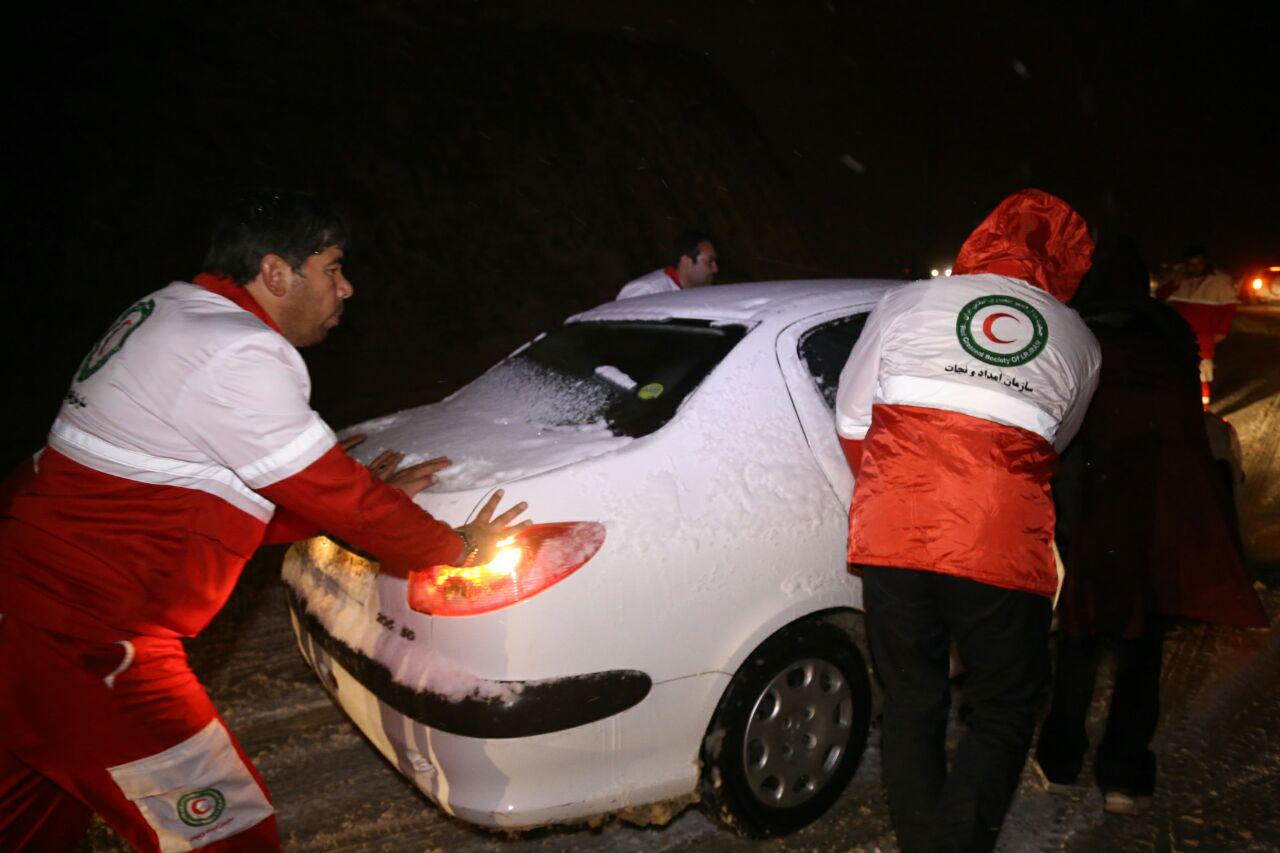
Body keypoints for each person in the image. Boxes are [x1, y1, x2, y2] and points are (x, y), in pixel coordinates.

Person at [0, 190, 528, 850]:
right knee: (230, 835)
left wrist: (346, 508)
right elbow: (339, 494)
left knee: (27, 826)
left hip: (23, 613)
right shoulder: (237, 350)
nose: (347, 287)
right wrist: (451, 544)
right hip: (90, 645)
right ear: (276, 272)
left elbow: (207, 496)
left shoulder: (170, 313)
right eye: (332, 267)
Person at [834, 189, 1101, 852]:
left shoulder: (905, 303)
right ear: (1066, 264)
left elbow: (849, 417)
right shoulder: (1079, 341)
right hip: (1000, 539)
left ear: (982, 238)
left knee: (913, 702)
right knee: (1005, 706)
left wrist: (903, 488)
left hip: (894, 529)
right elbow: (1053, 445)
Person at [1034, 236, 1266, 814]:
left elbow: (1059, 425)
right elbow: (1187, 418)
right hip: (1158, 506)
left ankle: (1061, 759)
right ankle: (1124, 774)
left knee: (1081, 639)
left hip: (1091, 504)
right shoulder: (1170, 331)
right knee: (1141, 644)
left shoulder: (1072, 331)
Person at [1156, 244, 1239, 409]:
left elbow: (1229, 310)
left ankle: (1202, 412)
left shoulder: (1220, 281)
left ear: (1206, 262)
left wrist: (1221, 332)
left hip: (1203, 337)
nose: (1194, 267)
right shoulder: (1178, 278)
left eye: (1198, 263)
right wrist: (1173, 285)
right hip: (1176, 337)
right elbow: (1159, 297)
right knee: (1177, 373)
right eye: (1191, 264)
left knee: (1200, 376)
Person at [616, 229, 718, 299]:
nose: (715, 269)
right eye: (710, 262)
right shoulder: (647, 291)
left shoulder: (699, 294)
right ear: (686, 261)